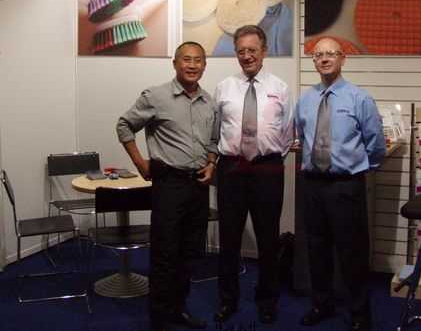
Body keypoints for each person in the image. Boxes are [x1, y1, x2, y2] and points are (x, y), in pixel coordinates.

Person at [116, 41, 218, 331]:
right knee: (165, 253)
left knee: (189, 253)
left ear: (204, 65)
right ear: (175, 63)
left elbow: (213, 140)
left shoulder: (209, 102)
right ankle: (159, 318)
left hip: (198, 186)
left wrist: (212, 163)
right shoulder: (156, 97)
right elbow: (124, 125)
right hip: (169, 185)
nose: (192, 65)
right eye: (186, 59)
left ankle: (178, 309)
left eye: (198, 60)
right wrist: (140, 163)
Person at [294, 37, 386, 331]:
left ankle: (359, 312)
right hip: (312, 185)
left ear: (342, 58)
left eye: (330, 54)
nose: (324, 59)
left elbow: (376, 144)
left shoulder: (360, 99)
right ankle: (321, 304)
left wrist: (357, 170)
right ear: (314, 61)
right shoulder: (305, 100)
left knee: (352, 252)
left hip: (345, 186)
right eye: (318, 55)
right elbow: (302, 137)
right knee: (316, 248)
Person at [213, 25, 293, 324]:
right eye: (241, 51)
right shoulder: (224, 87)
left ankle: (267, 300)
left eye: (252, 50)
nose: (247, 56)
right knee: (229, 239)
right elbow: (216, 130)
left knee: (268, 239)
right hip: (231, 169)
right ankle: (228, 299)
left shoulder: (280, 88)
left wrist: (268, 156)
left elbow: (287, 132)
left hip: (267, 170)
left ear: (264, 51)